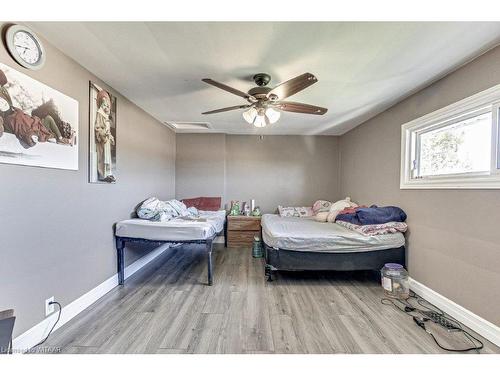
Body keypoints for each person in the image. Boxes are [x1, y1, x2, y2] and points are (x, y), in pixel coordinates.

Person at [94, 89, 115, 182]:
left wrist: (110, 136)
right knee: (102, 157)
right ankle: (103, 175)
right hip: (103, 139)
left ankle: (108, 173)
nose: (106, 107)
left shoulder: (106, 116)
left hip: (106, 139)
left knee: (108, 157)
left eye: (107, 105)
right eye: (105, 105)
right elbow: (97, 127)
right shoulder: (100, 114)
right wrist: (103, 134)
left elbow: (108, 129)